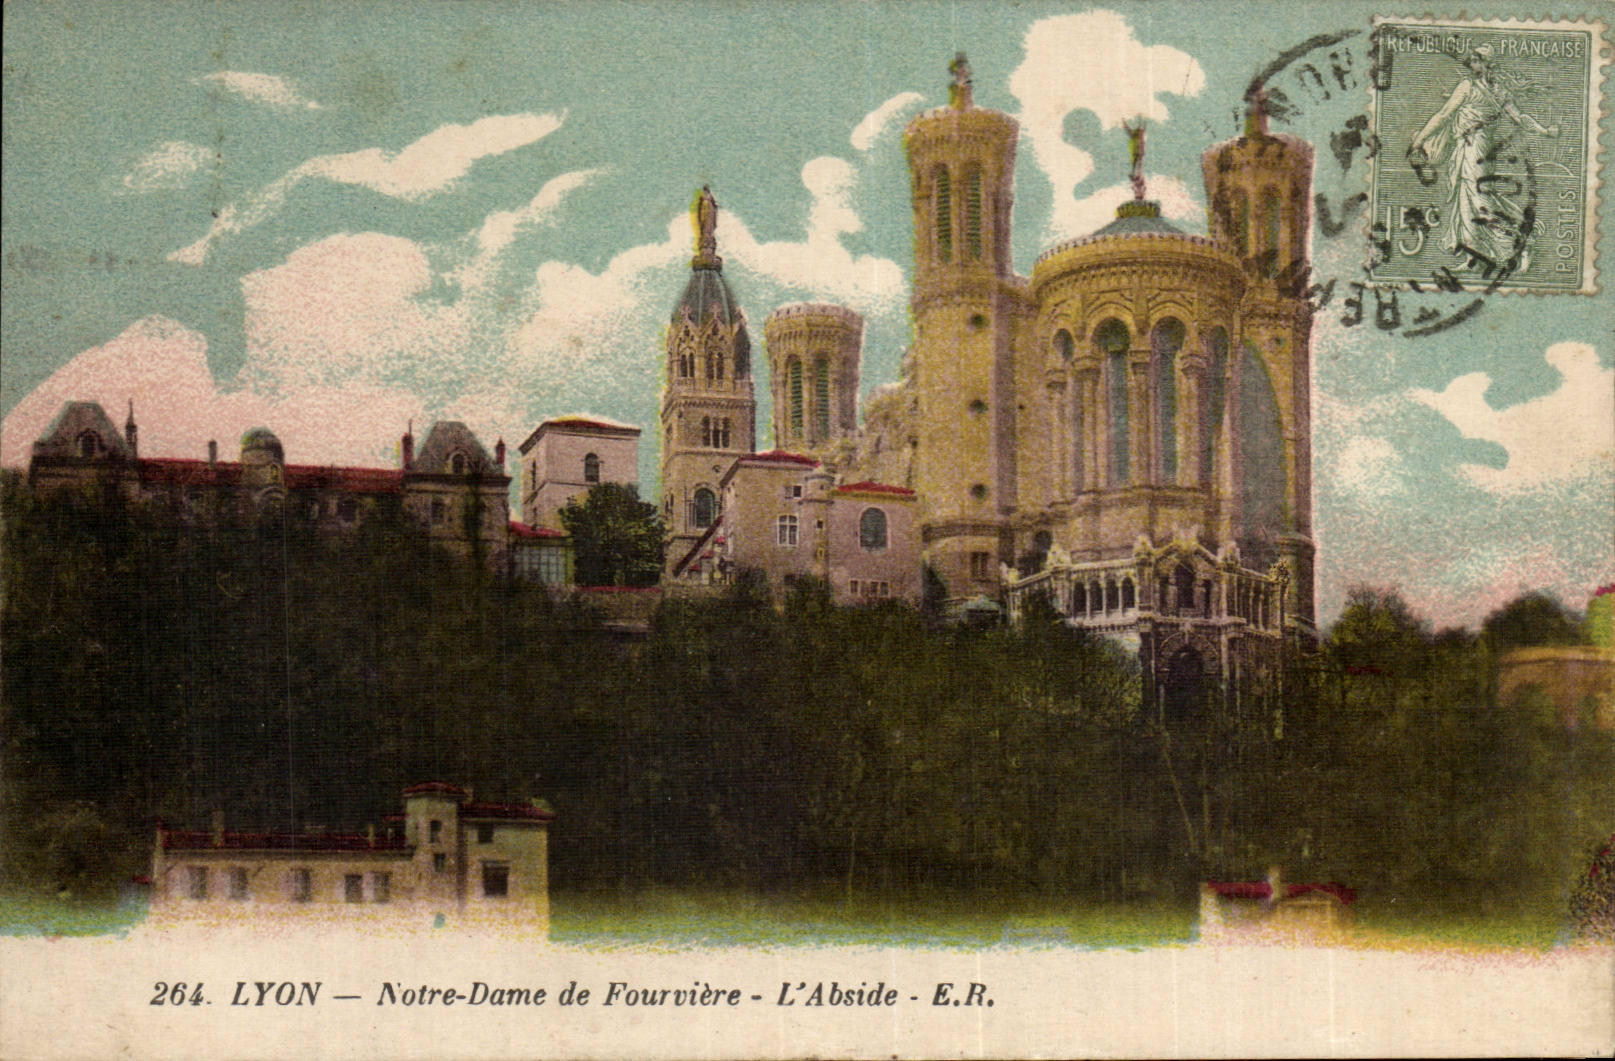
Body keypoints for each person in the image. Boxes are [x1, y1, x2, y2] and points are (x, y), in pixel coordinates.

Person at [1408, 43, 1559, 273]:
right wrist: (1545, 130)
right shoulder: (1497, 90)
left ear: (1485, 64)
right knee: (1466, 199)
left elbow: (1443, 115)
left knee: (1479, 201)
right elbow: (1522, 119)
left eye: (1476, 60)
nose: (1472, 64)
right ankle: (1473, 256)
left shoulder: (1469, 87)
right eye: (1472, 60)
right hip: (1473, 148)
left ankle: (1521, 244)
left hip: (1474, 148)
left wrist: (1419, 140)